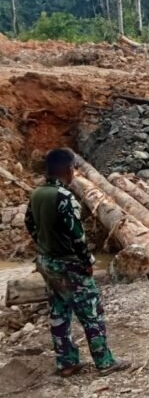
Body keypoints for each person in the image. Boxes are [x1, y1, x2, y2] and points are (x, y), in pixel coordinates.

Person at [24, 148, 130, 378]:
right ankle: (104, 361)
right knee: (91, 312)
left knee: (59, 312)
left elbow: (29, 224)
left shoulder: (37, 193)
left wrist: (44, 243)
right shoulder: (64, 196)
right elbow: (77, 236)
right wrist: (87, 261)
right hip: (69, 264)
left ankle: (66, 362)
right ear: (68, 169)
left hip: (46, 262)